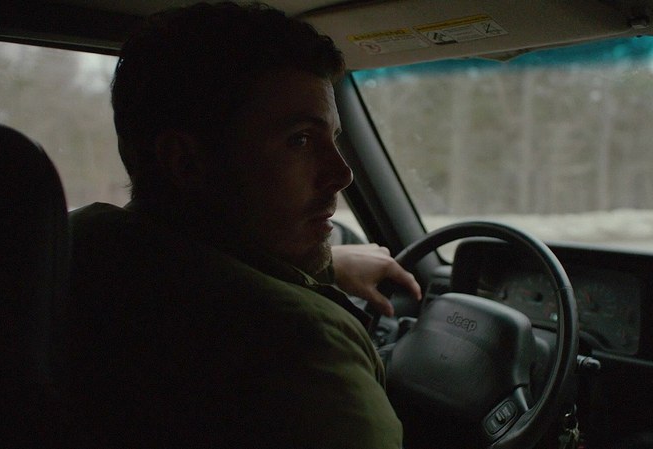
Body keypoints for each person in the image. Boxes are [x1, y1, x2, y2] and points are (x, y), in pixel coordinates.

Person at [67, 2, 420, 448]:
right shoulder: (301, 350)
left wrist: (330, 265)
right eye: (300, 140)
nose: (342, 174)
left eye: (332, 138)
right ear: (185, 162)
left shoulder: (75, 246)